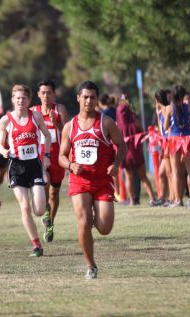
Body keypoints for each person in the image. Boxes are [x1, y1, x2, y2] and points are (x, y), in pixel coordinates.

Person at [59, 81, 127, 280]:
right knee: (83, 221)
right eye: (85, 97)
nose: (89, 101)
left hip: (102, 182)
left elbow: (121, 146)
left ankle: (93, 219)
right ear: (78, 98)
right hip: (79, 181)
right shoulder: (69, 127)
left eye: (92, 97)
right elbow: (61, 157)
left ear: (97, 100)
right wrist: (71, 165)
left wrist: (115, 164)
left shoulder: (106, 123)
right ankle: (91, 266)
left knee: (105, 228)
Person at [0, 84, 52, 257]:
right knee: (25, 207)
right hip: (16, 167)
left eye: (24, 98)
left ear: (29, 100)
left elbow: (47, 135)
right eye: (17, 98)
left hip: (34, 166)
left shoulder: (36, 116)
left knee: (39, 210)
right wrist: (3, 150)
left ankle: (46, 214)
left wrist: (47, 155)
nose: (21, 101)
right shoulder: (5, 120)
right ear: (13, 99)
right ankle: (36, 245)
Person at [32, 79, 68, 242]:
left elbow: (67, 133)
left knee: (54, 193)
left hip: (57, 157)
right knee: (44, 185)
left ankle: (50, 223)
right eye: (43, 93)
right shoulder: (34, 111)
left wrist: (56, 123)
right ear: (38, 94)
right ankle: (45, 212)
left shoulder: (59, 109)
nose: (46, 96)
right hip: (40, 157)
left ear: (54, 94)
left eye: (49, 92)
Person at [116, 95, 161, 206]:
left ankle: (132, 200)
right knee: (143, 177)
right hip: (136, 152)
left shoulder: (118, 125)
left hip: (125, 153)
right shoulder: (135, 120)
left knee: (129, 177)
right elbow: (142, 133)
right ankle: (152, 199)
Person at [164, 85, 190, 207]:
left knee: (176, 172)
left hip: (174, 139)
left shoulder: (170, 108)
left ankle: (178, 200)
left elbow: (165, 127)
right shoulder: (188, 107)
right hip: (187, 139)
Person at [155, 90, 174, 206]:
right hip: (164, 142)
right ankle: (163, 197)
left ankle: (172, 198)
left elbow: (170, 129)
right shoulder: (159, 112)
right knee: (162, 173)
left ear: (157, 100)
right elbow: (161, 131)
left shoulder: (168, 109)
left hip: (170, 142)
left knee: (170, 172)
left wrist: (167, 146)